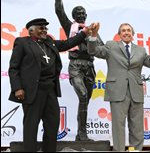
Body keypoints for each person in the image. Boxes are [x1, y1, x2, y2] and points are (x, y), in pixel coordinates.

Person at [8, 18, 93, 152]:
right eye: (41, 28)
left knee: (52, 124)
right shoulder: (23, 43)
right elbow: (13, 68)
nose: (45, 31)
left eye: (46, 28)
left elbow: (67, 43)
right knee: (31, 126)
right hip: (33, 91)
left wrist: (84, 33)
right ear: (31, 30)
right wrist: (17, 88)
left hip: (50, 90)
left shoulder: (49, 42)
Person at [87, 23, 150, 151]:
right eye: (123, 31)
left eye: (128, 30)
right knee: (118, 126)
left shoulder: (140, 49)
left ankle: (135, 151)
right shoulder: (111, 45)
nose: (126, 32)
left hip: (136, 91)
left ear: (132, 34)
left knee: (137, 127)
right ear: (119, 34)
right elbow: (94, 51)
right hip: (117, 91)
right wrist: (94, 35)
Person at [52, 0, 104, 141]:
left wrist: (92, 36)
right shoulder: (70, 27)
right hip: (76, 65)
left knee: (85, 101)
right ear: (74, 16)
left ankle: (81, 134)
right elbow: (60, 13)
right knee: (82, 95)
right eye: (77, 13)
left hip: (90, 66)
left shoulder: (92, 31)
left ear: (86, 15)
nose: (80, 15)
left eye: (83, 13)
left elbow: (100, 48)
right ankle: (83, 134)